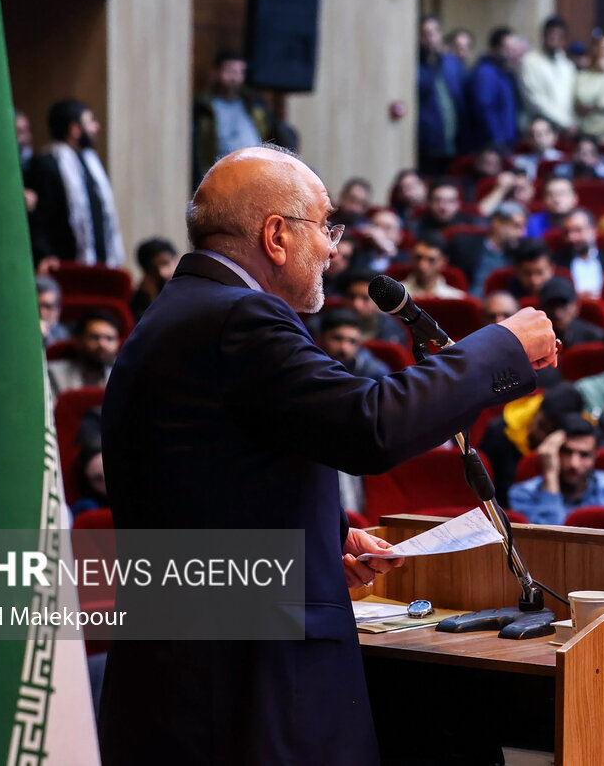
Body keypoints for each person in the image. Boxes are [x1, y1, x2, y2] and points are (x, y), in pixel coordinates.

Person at [98, 145, 557, 764]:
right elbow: (369, 426)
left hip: (189, 668)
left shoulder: (175, 314)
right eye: (325, 226)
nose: (333, 248)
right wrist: (500, 346)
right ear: (277, 235)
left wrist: (319, 548)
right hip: (246, 685)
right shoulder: (242, 317)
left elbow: (208, 481)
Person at [26, 99, 125, 268]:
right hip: (66, 265)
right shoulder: (47, 164)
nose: (96, 127)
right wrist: (45, 253)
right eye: (90, 122)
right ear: (74, 129)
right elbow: (39, 219)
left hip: (99, 263)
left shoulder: (91, 163)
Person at [509, 416, 604, 525]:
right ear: (553, 453)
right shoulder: (523, 494)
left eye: (584, 455)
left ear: (595, 456)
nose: (574, 464)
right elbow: (551, 544)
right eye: (566, 452)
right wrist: (550, 475)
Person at [481, 382, 585, 504]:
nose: (541, 434)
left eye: (549, 432)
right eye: (541, 426)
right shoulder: (500, 432)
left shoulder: (576, 440)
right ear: (537, 411)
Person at [192, 50, 273, 184]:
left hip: (255, 175)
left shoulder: (253, 105)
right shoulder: (203, 108)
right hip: (220, 178)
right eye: (230, 72)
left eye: (240, 72)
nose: (235, 78)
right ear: (216, 73)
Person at [448, 201, 527, 296]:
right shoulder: (466, 247)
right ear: (497, 223)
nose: (521, 233)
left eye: (523, 227)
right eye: (516, 226)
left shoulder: (519, 253)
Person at [464, 26, 521, 151]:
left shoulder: (504, 73)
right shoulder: (485, 73)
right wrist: (498, 141)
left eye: (513, 49)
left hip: (505, 143)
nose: (512, 54)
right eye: (507, 49)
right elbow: (485, 109)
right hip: (492, 146)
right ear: (494, 49)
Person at [519, 16, 576, 132]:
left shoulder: (567, 65)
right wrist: (564, 121)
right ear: (543, 36)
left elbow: (571, 99)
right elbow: (534, 99)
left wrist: (571, 122)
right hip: (539, 127)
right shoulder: (530, 61)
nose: (555, 39)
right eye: (551, 35)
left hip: (566, 129)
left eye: (559, 35)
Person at [48, 309, 121, 398]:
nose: (102, 344)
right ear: (78, 341)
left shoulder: (124, 377)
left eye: (109, 338)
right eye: (95, 337)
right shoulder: (54, 374)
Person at [553, 208, 604, 298]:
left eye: (578, 230)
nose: (571, 238)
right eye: (567, 232)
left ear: (593, 230)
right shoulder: (556, 262)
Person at [315, 308, 390, 379]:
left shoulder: (374, 373)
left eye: (352, 341)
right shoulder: (307, 366)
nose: (344, 348)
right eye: (337, 338)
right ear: (320, 338)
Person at [540, 276, 604, 350]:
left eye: (563, 306)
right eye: (551, 306)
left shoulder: (595, 338)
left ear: (576, 306)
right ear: (541, 308)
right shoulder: (536, 340)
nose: (557, 314)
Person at [342, 270, 406, 344]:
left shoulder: (392, 330)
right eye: (351, 297)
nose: (356, 304)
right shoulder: (332, 325)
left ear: (379, 301)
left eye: (365, 298)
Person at [402, 231, 466, 300]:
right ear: (411, 256)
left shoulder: (456, 299)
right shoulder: (395, 296)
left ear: (443, 262)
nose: (422, 265)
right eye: (418, 257)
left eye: (431, 260)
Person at [130, 238, 178, 321]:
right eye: (153, 269)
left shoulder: (191, 289)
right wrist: (150, 298)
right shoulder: (139, 301)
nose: (161, 273)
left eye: (165, 263)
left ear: (177, 260)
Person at [412, 178, 482, 236]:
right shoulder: (415, 227)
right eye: (438, 200)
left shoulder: (474, 225)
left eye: (450, 201)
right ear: (429, 202)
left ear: (458, 204)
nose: (444, 207)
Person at [526, 175, 579, 239]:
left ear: (575, 198)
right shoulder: (532, 223)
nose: (556, 200)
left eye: (562, 193)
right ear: (544, 199)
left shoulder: (585, 223)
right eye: (551, 194)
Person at [37, 276, 72, 346]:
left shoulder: (65, 336)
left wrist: (46, 338)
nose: (41, 312)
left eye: (48, 306)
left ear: (58, 310)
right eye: (37, 306)